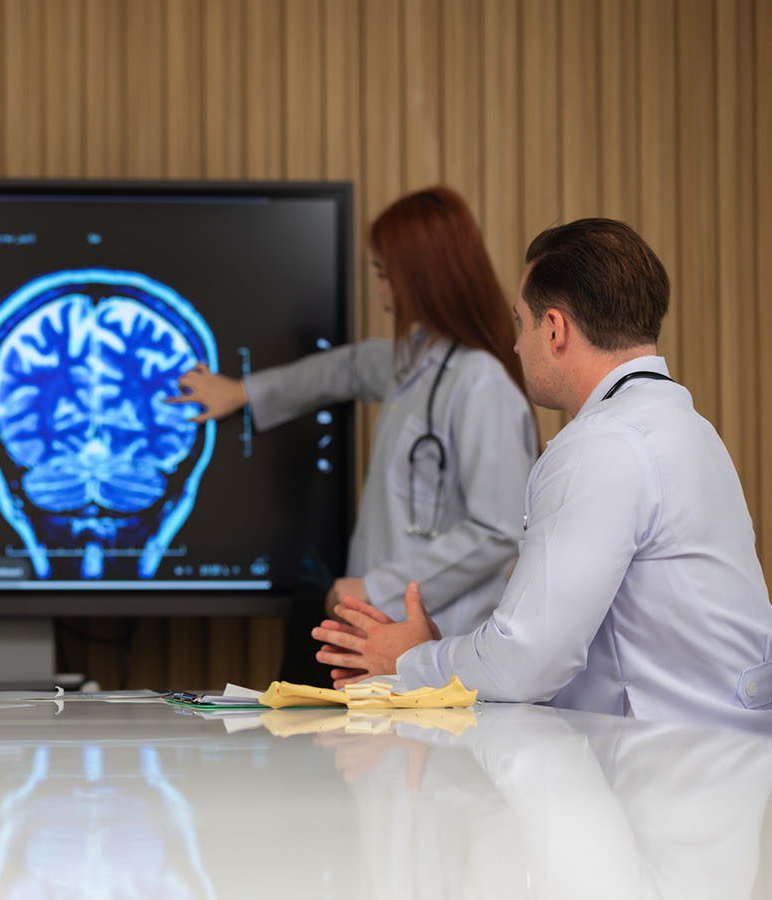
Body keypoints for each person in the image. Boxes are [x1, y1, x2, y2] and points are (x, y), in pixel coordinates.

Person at [314, 219, 772, 731]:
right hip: (719, 759)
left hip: (668, 773)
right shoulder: (687, 427)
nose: (514, 346)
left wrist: (411, 659)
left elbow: (525, 665)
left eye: (521, 324)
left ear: (554, 329)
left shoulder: (602, 445)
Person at [168, 187, 538, 638]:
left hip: (441, 643)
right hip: (387, 640)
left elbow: (497, 533)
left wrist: (375, 588)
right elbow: (342, 368)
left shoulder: (480, 383)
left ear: (424, 278)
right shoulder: (414, 360)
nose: (380, 290)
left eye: (384, 274)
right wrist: (244, 391)